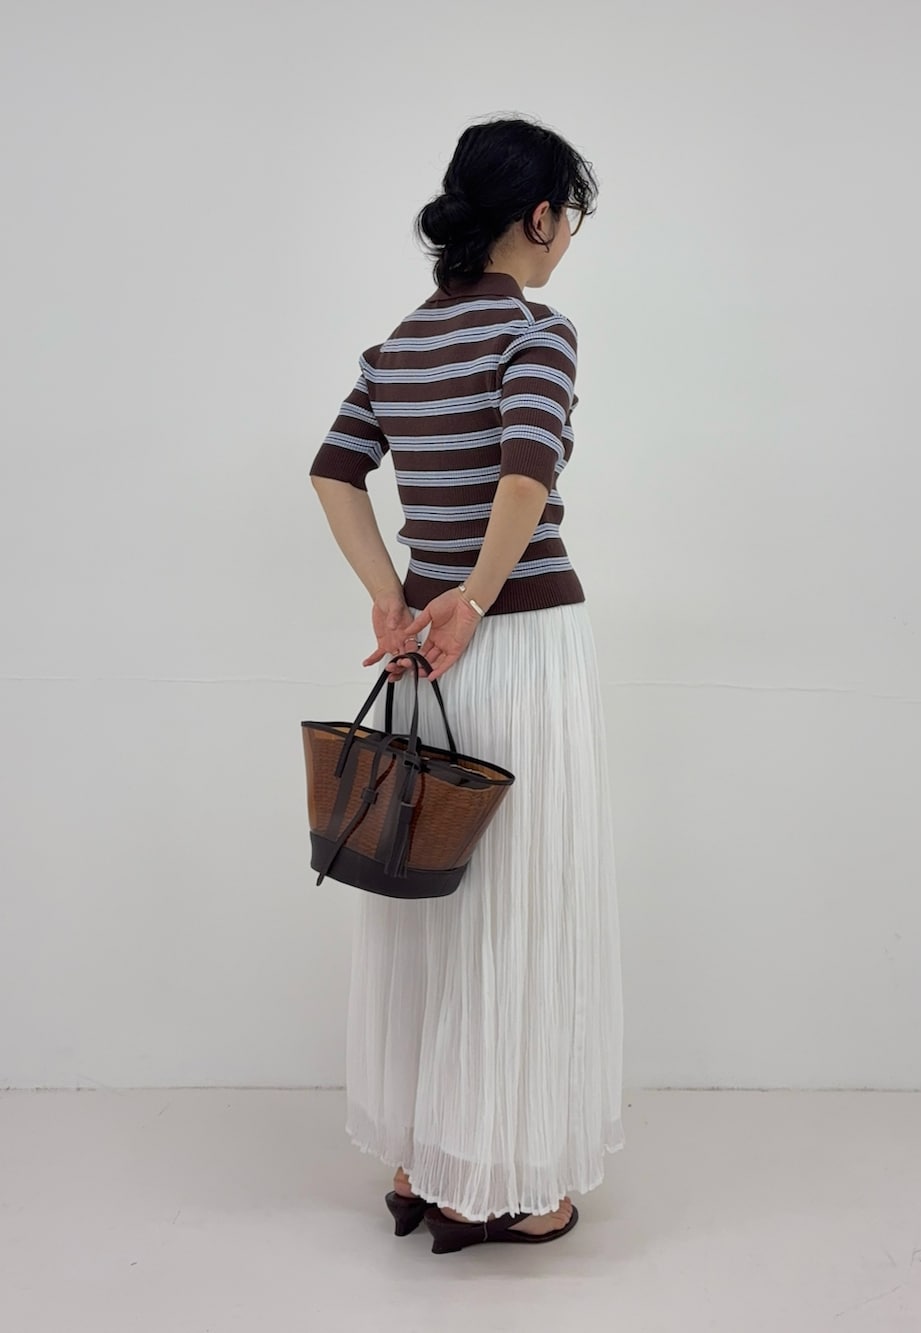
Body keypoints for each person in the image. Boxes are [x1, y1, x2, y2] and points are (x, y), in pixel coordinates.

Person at [308, 115, 625, 1254]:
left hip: (422, 656)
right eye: (567, 216)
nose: (567, 237)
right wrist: (476, 601)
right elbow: (525, 475)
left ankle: (420, 1159)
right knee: (520, 902)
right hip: (517, 642)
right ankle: (499, 1184)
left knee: (434, 890)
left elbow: (334, 472)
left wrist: (395, 600)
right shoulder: (537, 332)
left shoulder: (395, 345)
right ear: (537, 216)